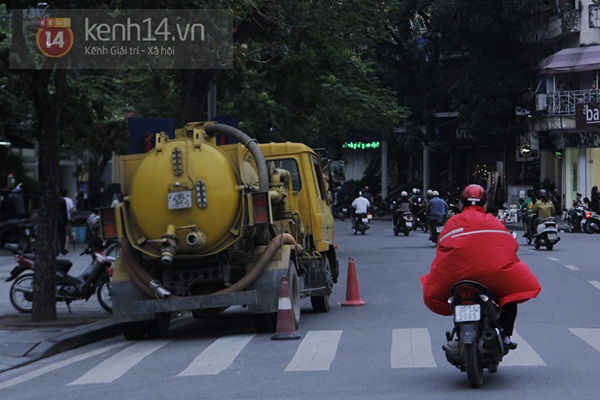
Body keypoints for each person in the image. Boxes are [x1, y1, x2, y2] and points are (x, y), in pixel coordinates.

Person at [420, 184, 541, 349]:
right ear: (484, 203)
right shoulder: (493, 221)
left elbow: (441, 246)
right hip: (491, 279)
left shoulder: (453, 222)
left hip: (458, 278)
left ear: (462, 203)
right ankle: (505, 335)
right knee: (510, 297)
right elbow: (510, 245)